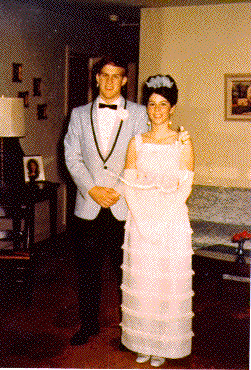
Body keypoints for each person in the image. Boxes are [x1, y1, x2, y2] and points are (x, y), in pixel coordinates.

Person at [64, 56, 148, 346]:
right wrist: (92, 189)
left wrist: (120, 189)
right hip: (89, 206)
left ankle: (133, 330)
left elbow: (143, 157)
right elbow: (71, 157)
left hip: (125, 206)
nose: (110, 81)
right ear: (96, 77)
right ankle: (88, 325)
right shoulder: (77, 114)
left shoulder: (139, 113)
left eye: (117, 76)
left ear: (125, 80)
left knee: (129, 272)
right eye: (105, 75)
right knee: (87, 271)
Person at [119, 75, 194, 367]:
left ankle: (163, 343)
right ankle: (143, 341)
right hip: (140, 220)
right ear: (146, 107)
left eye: (163, 104)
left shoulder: (182, 141)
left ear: (172, 107)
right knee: (144, 281)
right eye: (152, 104)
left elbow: (185, 184)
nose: (157, 110)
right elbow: (129, 182)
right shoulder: (136, 142)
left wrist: (162, 217)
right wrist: (143, 214)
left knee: (165, 284)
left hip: (171, 222)